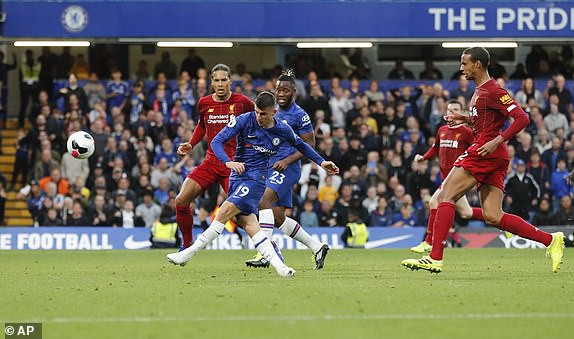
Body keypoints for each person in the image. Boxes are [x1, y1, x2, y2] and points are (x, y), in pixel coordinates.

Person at [402, 47, 564, 273]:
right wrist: (465, 118)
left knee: (446, 194)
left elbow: (522, 118)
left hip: (485, 152)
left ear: (477, 64)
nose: (461, 68)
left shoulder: (494, 90)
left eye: (464, 63)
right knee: (493, 215)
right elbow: (486, 121)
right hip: (493, 155)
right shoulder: (480, 91)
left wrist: (497, 140)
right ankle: (551, 240)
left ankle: (435, 257)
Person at [166, 91, 339, 277]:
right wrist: (228, 162)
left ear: (273, 112)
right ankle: (281, 268)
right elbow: (217, 141)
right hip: (236, 178)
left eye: (263, 114)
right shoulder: (244, 120)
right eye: (257, 111)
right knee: (250, 226)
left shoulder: (282, 128)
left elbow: (302, 145)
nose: (258, 116)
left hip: (255, 180)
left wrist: (322, 163)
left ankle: (187, 254)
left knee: (224, 211)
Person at [243, 70, 330, 270]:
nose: (281, 94)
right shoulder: (271, 111)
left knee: (263, 200)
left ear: (294, 92)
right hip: (270, 166)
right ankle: (317, 247)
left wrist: (288, 160)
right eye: (278, 90)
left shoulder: (300, 115)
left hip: (287, 169)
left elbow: (309, 144)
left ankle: (265, 253)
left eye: (285, 90)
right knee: (278, 218)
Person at [174, 64, 254, 250]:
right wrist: (191, 144)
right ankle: (187, 244)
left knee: (241, 215)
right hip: (210, 163)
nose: (220, 84)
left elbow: (258, 121)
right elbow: (202, 125)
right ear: (211, 82)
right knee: (181, 200)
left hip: (233, 166)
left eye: (223, 80)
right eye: (216, 80)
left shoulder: (243, 102)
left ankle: (265, 247)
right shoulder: (204, 103)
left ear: (230, 82)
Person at [409, 100, 483, 254]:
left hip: (457, 178)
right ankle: (500, 220)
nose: (451, 113)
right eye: (449, 110)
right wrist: (423, 158)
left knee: (434, 201)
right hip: (446, 178)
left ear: (462, 113)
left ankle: (429, 241)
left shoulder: (467, 133)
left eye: (455, 110)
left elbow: (479, 151)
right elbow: (435, 148)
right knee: (466, 212)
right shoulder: (442, 130)